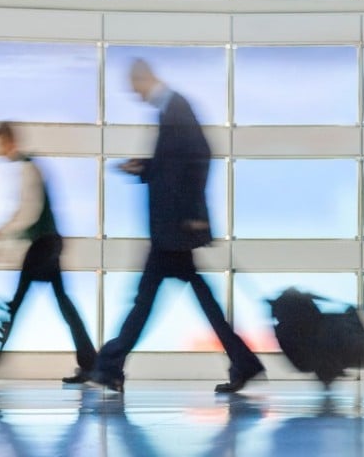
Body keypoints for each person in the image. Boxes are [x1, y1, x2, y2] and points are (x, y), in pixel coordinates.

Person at [90, 59, 264, 394]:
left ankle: (110, 365)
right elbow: (175, 165)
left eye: (135, 86)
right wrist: (144, 168)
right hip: (172, 228)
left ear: (146, 78)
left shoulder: (176, 107)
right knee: (186, 299)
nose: (135, 94)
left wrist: (195, 213)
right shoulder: (170, 110)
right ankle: (245, 362)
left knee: (145, 303)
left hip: (174, 228)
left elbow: (200, 156)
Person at [0, 122, 96, 383]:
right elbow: (26, 215)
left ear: (8, 142)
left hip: (43, 246)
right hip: (47, 244)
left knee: (18, 303)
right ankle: (91, 363)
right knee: (61, 303)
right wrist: (0, 241)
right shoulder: (28, 166)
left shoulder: (27, 168)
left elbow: (27, 214)